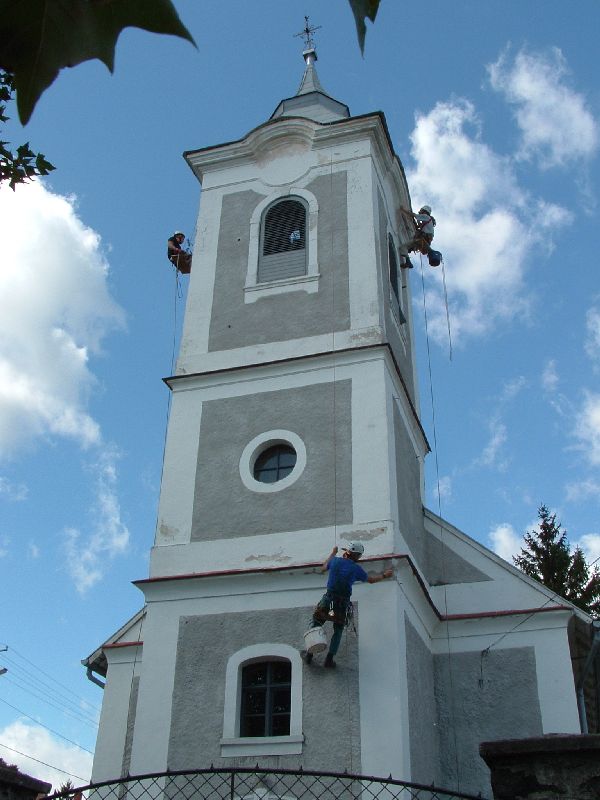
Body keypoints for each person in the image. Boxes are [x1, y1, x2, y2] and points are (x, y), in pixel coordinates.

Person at [305, 543, 394, 668]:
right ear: (358, 556)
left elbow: (324, 567)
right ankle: (329, 659)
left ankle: (309, 654)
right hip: (341, 605)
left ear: (347, 552)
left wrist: (333, 553)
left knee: (316, 623)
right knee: (338, 629)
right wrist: (384, 575)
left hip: (328, 600)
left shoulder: (335, 561)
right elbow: (371, 580)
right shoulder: (356, 569)